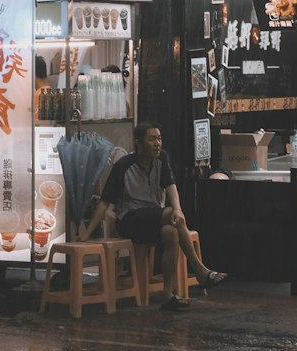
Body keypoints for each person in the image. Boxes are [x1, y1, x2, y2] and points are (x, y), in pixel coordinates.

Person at [78, 122, 227, 311]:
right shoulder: (123, 166)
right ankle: (200, 270)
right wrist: (87, 234)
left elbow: (171, 186)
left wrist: (178, 209)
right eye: (152, 139)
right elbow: (105, 202)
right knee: (171, 215)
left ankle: (167, 294)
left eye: (159, 138)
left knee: (171, 233)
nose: (158, 143)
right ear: (138, 143)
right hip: (129, 220)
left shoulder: (162, 159)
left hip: (154, 217)